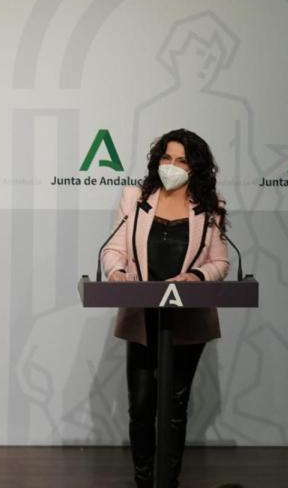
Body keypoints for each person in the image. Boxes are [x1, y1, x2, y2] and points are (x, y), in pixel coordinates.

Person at [101, 128, 230, 488]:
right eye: (166, 158)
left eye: (181, 160)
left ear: (196, 167)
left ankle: (167, 482)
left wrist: (196, 275)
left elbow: (220, 262)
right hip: (141, 314)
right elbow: (114, 248)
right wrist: (116, 270)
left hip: (188, 317)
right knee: (141, 405)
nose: (171, 166)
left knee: (174, 408)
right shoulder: (135, 198)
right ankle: (144, 481)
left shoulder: (211, 205)